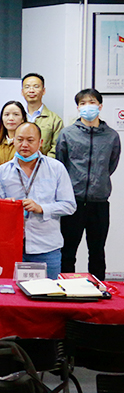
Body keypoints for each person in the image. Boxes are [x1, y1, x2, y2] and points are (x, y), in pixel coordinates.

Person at [0, 122, 76, 280]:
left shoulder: (56, 168)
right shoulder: (2, 171)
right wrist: (3, 205)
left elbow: (69, 205)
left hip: (46, 247)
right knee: (12, 293)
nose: (24, 145)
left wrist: (42, 208)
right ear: (13, 141)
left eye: (30, 140)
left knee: (48, 293)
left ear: (40, 142)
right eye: (20, 139)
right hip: (12, 247)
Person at [56, 89, 121, 280]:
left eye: (91, 102)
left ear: (100, 106)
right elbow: (61, 164)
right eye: (82, 103)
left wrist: (97, 181)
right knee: (68, 251)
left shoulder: (111, 136)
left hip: (99, 202)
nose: (87, 107)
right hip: (72, 202)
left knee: (97, 251)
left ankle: (98, 288)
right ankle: (66, 287)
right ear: (77, 108)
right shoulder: (67, 134)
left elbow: (111, 165)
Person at [22, 72, 64, 157]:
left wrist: (43, 163)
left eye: (36, 86)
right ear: (22, 92)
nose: (31, 90)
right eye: (27, 87)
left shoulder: (54, 120)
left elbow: (56, 148)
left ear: (43, 91)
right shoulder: (17, 117)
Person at [0, 100, 26, 169]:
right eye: (7, 115)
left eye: (16, 114)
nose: (11, 118)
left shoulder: (27, 143)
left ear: (23, 118)